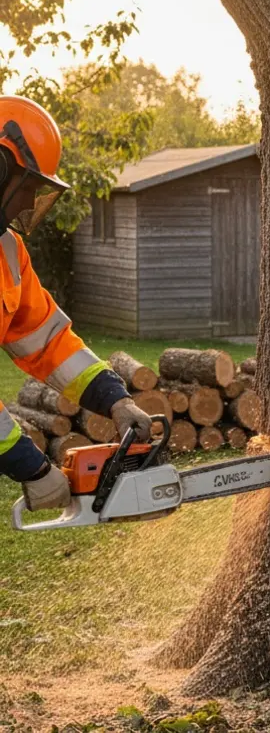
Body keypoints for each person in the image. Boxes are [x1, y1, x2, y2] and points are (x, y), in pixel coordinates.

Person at [0, 95, 153, 511]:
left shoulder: (7, 252)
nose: (31, 203)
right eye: (29, 187)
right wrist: (29, 465)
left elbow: (46, 342)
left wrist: (115, 399)